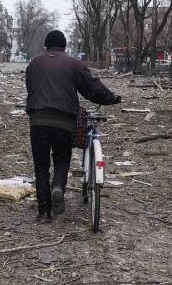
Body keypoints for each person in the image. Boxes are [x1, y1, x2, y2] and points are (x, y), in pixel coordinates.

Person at [25, 30, 121, 223]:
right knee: (62, 158)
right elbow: (92, 89)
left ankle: (44, 211)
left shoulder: (34, 63)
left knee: (41, 165)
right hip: (63, 121)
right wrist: (112, 98)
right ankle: (58, 186)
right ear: (64, 46)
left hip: (37, 120)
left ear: (46, 45)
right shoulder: (73, 64)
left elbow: (31, 87)